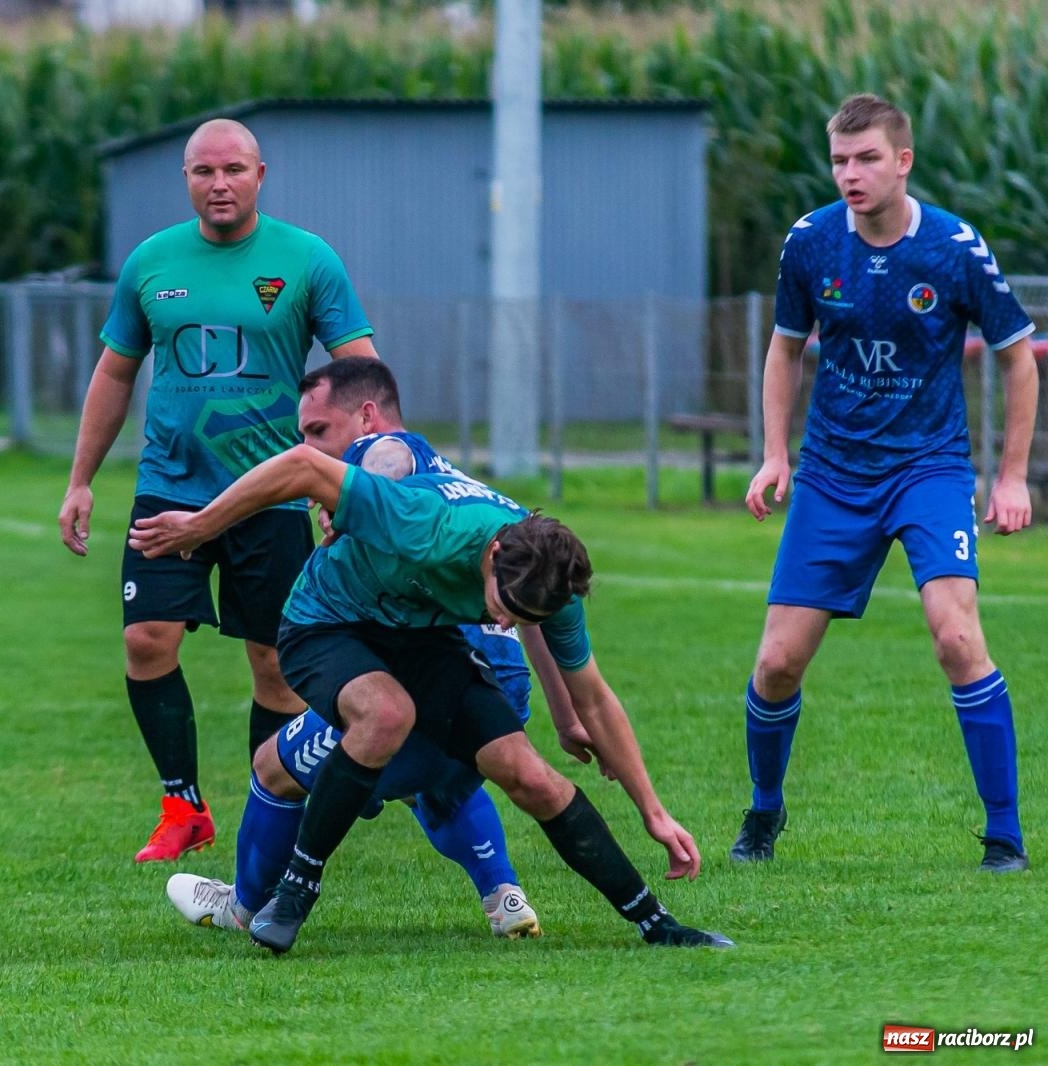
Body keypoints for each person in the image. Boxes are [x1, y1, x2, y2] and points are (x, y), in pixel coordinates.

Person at [131, 443, 731, 953]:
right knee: (386, 713)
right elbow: (306, 465)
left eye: (525, 618)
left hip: (420, 638)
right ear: (493, 554)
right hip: (327, 623)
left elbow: (594, 699)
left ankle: (656, 924)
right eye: (504, 604)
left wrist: (653, 812)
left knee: (529, 774)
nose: (505, 622)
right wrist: (202, 525)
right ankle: (295, 891)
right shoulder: (426, 522)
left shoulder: (552, 587)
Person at [167, 359, 612, 940]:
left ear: (366, 415)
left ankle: (245, 905)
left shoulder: (387, 454)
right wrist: (565, 712)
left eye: (319, 431)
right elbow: (530, 608)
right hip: (502, 681)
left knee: (281, 765)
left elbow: (384, 461)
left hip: (447, 668)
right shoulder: (474, 499)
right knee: (442, 778)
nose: (308, 445)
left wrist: (215, 524)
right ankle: (503, 894)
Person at [57, 117, 378, 863]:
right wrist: (80, 480)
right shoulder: (151, 262)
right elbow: (114, 373)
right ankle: (183, 806)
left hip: (273, 495)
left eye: (233, 169)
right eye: (204, 172)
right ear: (188, 180)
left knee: (275, 663)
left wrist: (354, 484)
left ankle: (277, 802)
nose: (219, 183)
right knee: (146, 641)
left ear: (260, 174)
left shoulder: (306, 260)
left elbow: (360, 375)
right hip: (168, 486)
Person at [733, 93, 1038, 873]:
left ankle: (1004, 837)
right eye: (839, 160)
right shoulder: (809, 244)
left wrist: (1010, 476)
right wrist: (775, 454)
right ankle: (764, 814)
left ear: (902, 161)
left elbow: (1014, 355)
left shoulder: (954, 249)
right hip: (834, 473)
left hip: (928, 468)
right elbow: (784, 349)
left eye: (867, 158)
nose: (850, 174)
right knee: (776, 666)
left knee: (957, 634)